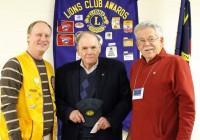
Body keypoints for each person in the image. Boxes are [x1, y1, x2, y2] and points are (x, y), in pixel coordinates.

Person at [55, 31, 132, 140]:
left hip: (106, 134)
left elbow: (126, 99)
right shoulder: (64, 72)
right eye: (84, 48)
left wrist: (110, 119)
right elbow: (56, 99)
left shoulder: (116, 68)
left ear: (99, 48)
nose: (89, 52)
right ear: (78, 50)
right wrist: (68, 112)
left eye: (93, 47)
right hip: (74, 134)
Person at [127, 21, 195, 140]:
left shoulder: (176, 63)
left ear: (161, 41)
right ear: (137, 45)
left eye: (151, 39)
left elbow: (187, 108)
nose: (146, 44)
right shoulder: (135, 67)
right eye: (141, 40)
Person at [0, 20, 57, 140]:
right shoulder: (14, 65)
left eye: (47, 35)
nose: (43, 38)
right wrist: (15, 138)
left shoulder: (49, 67)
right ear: (28, 37)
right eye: (39, 34)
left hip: (47, 136)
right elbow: (7, 105)